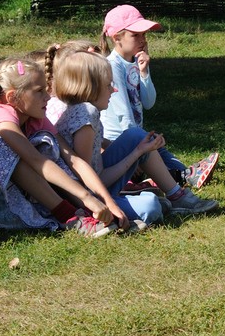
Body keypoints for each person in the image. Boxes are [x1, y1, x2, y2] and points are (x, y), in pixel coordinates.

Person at [0, 57, 117, 236]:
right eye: (39, 91)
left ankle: (84, 211)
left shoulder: (35, 118)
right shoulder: (0, 116)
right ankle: (67, 215)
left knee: (46, 141)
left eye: (46, 89)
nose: (47, 96)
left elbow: (73, 159)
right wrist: (85, 196)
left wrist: (107, 202)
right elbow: (36, 160)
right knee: (2, 144)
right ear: (12, 97)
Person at [100, 4, 219, 213]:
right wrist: (136, 152)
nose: (143, 40)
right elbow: (123, 116)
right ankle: (170, 182)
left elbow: (148, 102)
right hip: (118, 140)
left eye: (144, 34)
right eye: (136, 35)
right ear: (117, 38)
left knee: (162, 152)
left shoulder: (134, 63)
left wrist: (144, 72)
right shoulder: (112, 66)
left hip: (135, 136)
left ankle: (177, 177)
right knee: (155, 152)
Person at [49, 47, 170, 228]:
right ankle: (129, 205)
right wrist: (136, 154)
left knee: (136, 135)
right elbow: (90, 183)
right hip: (86, 198)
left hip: (97, 184)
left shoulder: (80, 109)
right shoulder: (86, 115)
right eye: (107, 85)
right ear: (90, 88)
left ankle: (158, 196)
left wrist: (138, 150)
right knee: (151, 206)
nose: (113, 90)